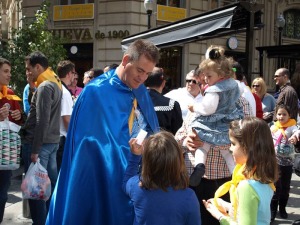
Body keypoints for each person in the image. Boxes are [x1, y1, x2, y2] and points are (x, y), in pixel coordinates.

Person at [46, 39, 160, 225]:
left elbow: (151, 128)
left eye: (147, 73)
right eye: (140, 70)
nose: (142, 78)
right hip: (103, 175)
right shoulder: (95, 92)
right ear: (126, 60)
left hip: (138, 176)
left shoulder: (141, 90)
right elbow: (86, 147)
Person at [203, 117, 278, 224]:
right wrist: (226, 205)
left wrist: (220, 216)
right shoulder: (262, 177)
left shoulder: (246, 186)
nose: (230, 148)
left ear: (247, 147)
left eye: (233, 144)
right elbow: (255, 212)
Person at [188, 46, 243, 187]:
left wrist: (195, 108)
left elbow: (208, 108)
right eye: (204, 75)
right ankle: (236, 176)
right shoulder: (234, 85)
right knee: (227, 152)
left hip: (213, 123)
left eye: (209, 76)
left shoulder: (213, 90)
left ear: (221, 74)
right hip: (229, 124)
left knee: (203, 145)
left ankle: (199, 166)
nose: (205, 79)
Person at [123, 131, 201, 225]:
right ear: (178, 160)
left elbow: (126, 183)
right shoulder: (189, 197)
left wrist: (134, 156)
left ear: (147, 161)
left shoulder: (135, 186)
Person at [21, 51, 62, 225]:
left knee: (36, 192)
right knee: (48, 189)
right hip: (51, 143)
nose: (27, 72)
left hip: (41, 146)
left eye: (29, 69)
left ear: (38, 67)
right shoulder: (55, 82)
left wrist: (35, 150)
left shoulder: (45, 86)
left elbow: (41, 120)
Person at [0, 57, 22, 224]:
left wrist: (18, 116)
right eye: (5, 71)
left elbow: (19, 121)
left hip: (5, 156)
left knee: (2, 194)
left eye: (10, 71)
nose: (9, 75)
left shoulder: (12, 94)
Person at [270, 104, 298, 221]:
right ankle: (272, 211)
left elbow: (297, 132)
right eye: (279, 114)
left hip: (288, 164)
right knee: (275, 187)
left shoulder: (292, 127)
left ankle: (282, 208)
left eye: (284, 114)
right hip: (275, 162)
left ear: (289, 115)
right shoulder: (273, 128)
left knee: (285, 188)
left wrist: (295, 137)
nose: (281, 116)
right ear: (276, 115)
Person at [144, 67, 183, 134]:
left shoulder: (134, 101)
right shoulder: (172, 104)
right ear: (163, 83)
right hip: (165, 143)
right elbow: (178, 134)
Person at [56, 60, 75, 172]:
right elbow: (67, 120)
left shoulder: (57, 88)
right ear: (69, 74)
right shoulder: (65, 93)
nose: (74, 76)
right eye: (73, 73)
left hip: (57, 139)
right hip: (62, 140)